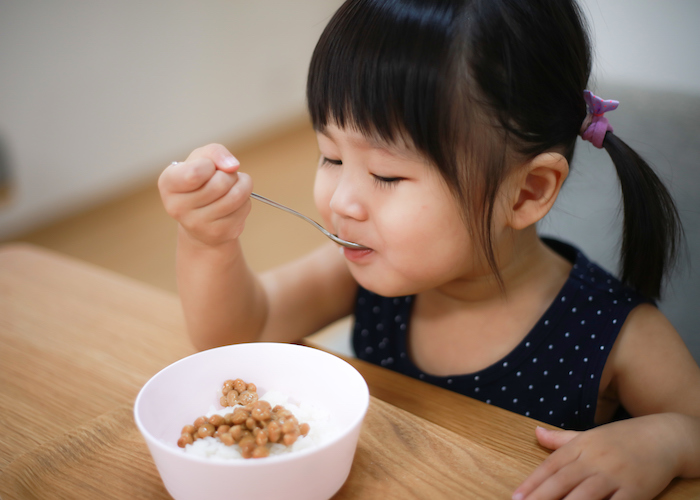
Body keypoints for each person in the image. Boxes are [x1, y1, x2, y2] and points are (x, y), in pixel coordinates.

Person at [158, 0, 700, 498]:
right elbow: (235, 337)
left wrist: (669, 440)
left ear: (527, 191)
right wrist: (209, 242)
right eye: (331, 155)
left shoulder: (615, 334)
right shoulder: (363, 266)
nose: (342, 200)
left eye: (387, 174)